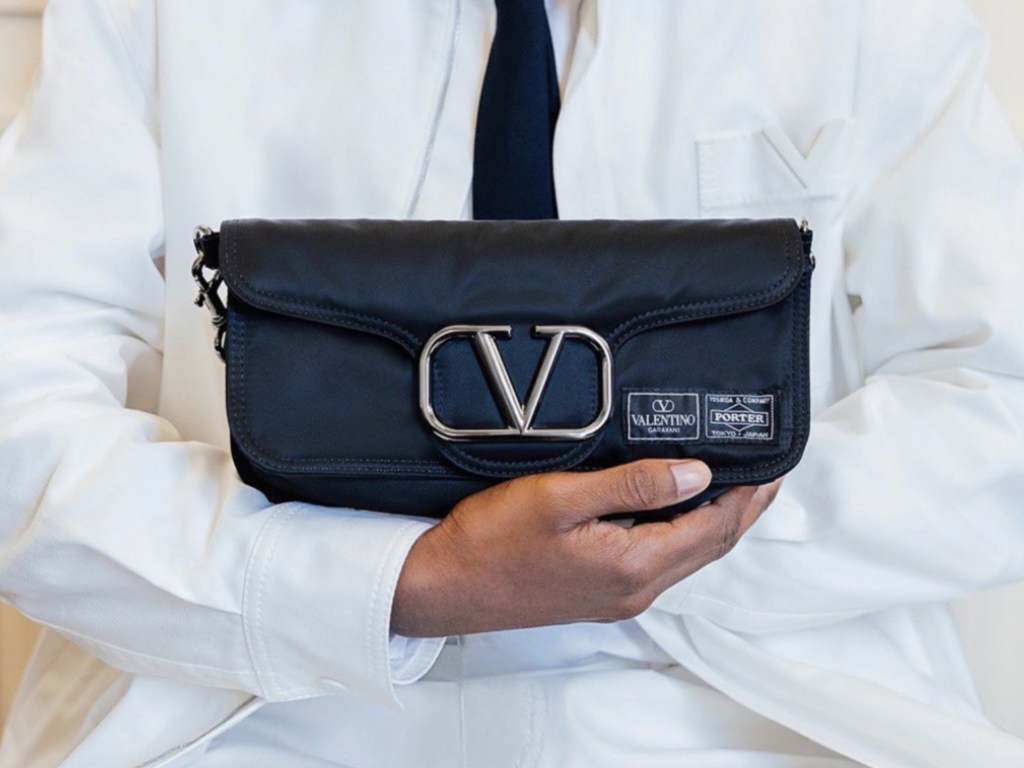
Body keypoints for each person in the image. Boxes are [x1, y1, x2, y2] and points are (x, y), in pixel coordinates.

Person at [1, 0, 1022, 766]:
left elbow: (999, 401)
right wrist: (397, 583)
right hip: (256, 701)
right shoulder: (154, 13)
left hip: (748, 696)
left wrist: (660, 554)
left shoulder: (868, 14)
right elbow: (20, 408)